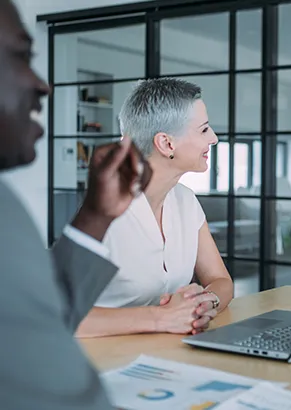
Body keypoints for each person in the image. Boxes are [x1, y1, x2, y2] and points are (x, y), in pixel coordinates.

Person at [0, 1, 218, 407]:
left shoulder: (7, 206)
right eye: (19, 58)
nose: (44, 86)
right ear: (166, 144)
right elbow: (53, 325)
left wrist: (95, 216)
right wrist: (161, 318)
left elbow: (53, 310)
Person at [75, 78, 234, 338]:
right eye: (204, 130)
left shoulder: (185, 200)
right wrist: (162, 318)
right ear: (167, 144)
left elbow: (221, 281)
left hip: (165, 354)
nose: (214, 139)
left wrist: (205, 303)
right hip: (103, 362)